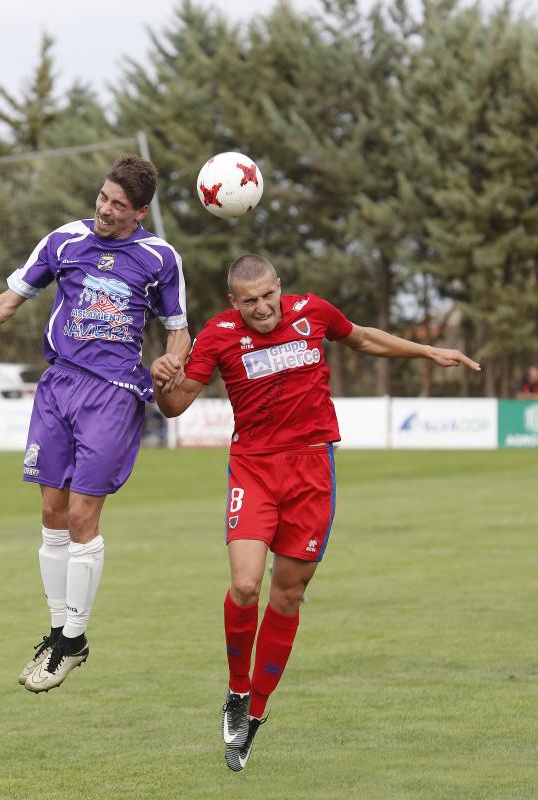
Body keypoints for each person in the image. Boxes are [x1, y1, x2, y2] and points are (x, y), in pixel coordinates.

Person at [150, 254, 480, 771]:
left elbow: (364, 338)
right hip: (254, 468)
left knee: (289, 594)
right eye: (250, 301)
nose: (262, 309)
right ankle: (237, 692)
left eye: (268, 296)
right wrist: (159, 376)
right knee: (245, 585)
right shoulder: (217, 336)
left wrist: (428, 350)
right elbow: (174, 406)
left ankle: (254, 716)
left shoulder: (313, 313)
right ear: (232, 303)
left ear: (279, 286)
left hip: (312, 472)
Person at [0, 155, 190, 693]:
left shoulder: (159, 258)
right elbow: (9, 301)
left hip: (112, 392)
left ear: (141, 212)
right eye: (103, 198)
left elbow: (179, 329)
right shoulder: (64, 240)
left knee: (84, 517)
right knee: (51, 511)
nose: (106, 210)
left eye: (119, 205)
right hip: (58, 385)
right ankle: (61, 631)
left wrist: (174, 359)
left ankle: (73, 639)